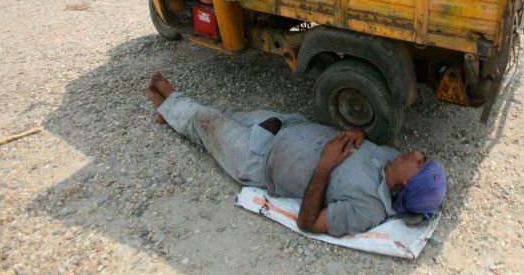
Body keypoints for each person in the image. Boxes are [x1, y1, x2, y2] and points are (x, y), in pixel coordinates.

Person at [145, 71, 447, 237]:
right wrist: (360, 132)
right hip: (283, 124)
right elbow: (362, 142)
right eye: (422, 156)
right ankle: (171, 114)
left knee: (207, 123)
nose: (416, 153)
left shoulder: (368, 209)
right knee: (224, 114)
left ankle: (171, 100)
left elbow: (308, 222)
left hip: (257, 159)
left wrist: (325, 165)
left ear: (406, 184)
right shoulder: (391, 158)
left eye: (420, 162)